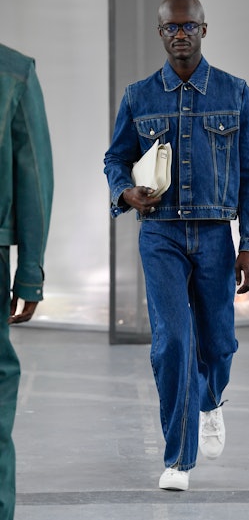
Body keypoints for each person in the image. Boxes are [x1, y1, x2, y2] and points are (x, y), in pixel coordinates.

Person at [104, 0, 249, 491]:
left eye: (188, 26)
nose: (179, 34)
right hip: (161, 234)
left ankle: (211, 401)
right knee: (172, 342)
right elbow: (114, 160)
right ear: (160, 33)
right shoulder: (138, 96)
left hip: (217, 234)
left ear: (203, 30)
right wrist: (124, 192)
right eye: (171, 27)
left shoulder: (235, 93)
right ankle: (178, 459)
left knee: (217, 344)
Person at [0, 43, 53, 519]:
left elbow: (34, 174)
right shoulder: (13, 72)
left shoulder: (15, 72)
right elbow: (34, 175)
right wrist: (30, 274)